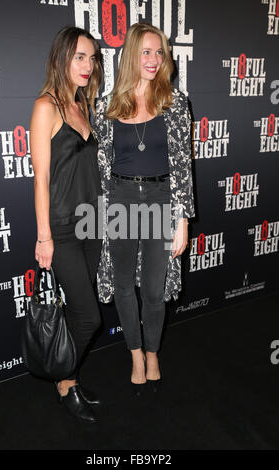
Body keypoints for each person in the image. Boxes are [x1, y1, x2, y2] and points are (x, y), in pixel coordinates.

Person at [94, 22, 195, 394]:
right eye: (146, 52)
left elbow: (184, 165)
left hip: (161, 201)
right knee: (123, 285)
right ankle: (135, 354)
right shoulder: (106, 106)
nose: (154, 60)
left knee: (154, 289)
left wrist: (182, 219)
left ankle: (153, 351)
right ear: (131, 56)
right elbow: (101, 166)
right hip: (120, 201)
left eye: (159, 52)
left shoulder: (175, 103)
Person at [30, 26, 103, 422]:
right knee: (90, 317)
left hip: (92, 225)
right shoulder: (47, 107)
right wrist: (44, 237)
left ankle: (69, 377)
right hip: (60, 228)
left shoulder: (82, 104)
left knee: (81, 314)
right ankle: (63, 382)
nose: (88, 65)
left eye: (92, 58)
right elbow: (40, 178)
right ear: (61, 58)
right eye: (80, 56)